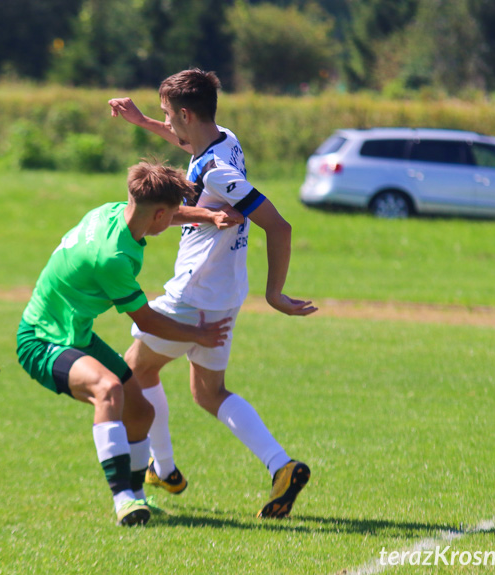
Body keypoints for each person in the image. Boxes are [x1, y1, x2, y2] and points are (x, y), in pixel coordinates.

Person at [108, 69, 318, 519]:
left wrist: (276, 294)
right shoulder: (225, 139)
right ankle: (281, 467)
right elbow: (186, 143)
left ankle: (161, 469)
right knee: (208, 392)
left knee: (132, 373)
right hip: (224, 292)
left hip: (194, 294)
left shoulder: (217, 171)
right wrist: (144, 121)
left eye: (168, 115)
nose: (168, 123)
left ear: (186, 113)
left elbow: (278, 225)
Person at [16, 161, 232, 527]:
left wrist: (209, 216)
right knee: (109, 389)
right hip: (40, 339)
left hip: (75, 334)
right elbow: (147, 321)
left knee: (142, 412)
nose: (174, 220)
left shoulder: (113, 212)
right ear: (160, 214)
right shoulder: (113, 258)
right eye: (172, 215)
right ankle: (123, 501)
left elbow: (165, 211)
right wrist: (198, 335)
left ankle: (137, 497)